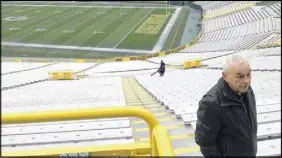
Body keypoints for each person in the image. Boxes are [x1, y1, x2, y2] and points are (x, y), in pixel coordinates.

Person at [195, 55, 257, 157]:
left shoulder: (247, 90)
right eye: (240, 76)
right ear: (225, 76)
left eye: (249, 74)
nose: (247, 81)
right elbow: (205, 143)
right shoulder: (211, 102)